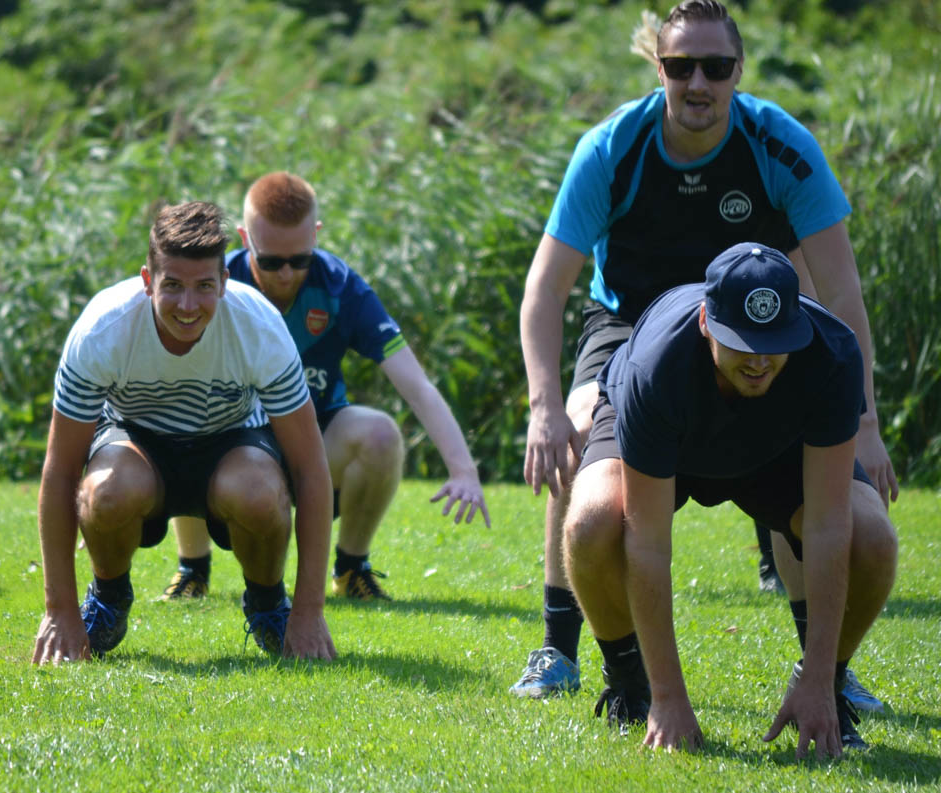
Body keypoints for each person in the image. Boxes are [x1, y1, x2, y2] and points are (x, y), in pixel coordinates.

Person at [513, 0, 894, 712]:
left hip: (757, 327)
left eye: (715, 68)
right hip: (631, 328)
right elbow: (545, 289)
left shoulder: (780, 144)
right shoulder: (611, 148)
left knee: (858, 520)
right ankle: (563, 648)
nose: (698, 83)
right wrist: (544, 407)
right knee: (578, 423)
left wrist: (862, 422)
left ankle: (826, 674)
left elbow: (840, 295)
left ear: (738, 71)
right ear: (658, 68)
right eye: (681, 66)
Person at [563, 243, 897, 755]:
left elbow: (830, 524)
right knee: (591, 523)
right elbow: (647, 543)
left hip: (774, 448)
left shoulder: (832, 353)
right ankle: (631, 683)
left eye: (775, 341)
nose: (759, 360)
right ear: (705, 322)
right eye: (742, 342)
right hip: (673, 437)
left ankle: (827, 687)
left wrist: (819, 675)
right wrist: (669, 697)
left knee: (872, 539)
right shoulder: (657, 365)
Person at [158, 172, 490, 603]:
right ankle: (193, 569)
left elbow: (417, 385)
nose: (286, 274)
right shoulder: (212, 284)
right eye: (270, 261)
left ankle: (352, 568)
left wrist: (463, 470)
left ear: (315, 235)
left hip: (313, 438)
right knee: (188, 415)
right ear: (244, 238)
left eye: (300, 259)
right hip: (230, 441)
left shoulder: (340, 287)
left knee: (381, 434)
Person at [30, 201, 336, 664]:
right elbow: (60, 471)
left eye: (204, 287)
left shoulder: (260, 328)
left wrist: (310, 611)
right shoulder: (101, 331)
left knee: (260, 493)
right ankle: (108, 598)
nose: (188, 306)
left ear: (225, 283)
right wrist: (59, 611)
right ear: (147, 280)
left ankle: (269, 604)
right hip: (135, 444)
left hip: (232, 444)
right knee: (105, 492)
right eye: (172, 285)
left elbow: (310, 468)